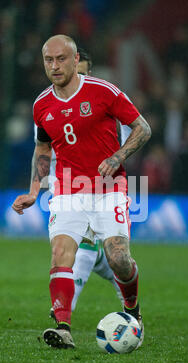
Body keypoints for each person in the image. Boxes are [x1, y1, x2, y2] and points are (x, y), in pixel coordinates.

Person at [12, 34, 151, 349]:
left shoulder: (104, 92)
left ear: (76, 60)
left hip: (108, 186)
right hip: (67, 190)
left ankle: (132, 311)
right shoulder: (41, 105)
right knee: (61, 253)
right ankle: (63, 328)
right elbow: (43, 148)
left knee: (118, 258)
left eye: (61, 59)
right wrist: (35, 190)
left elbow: (143, 127)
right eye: (49, 60)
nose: (55, 66)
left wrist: (117, 156)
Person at [41, 48, 124, 320]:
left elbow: (116, 148)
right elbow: (42, 149)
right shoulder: (47, 106)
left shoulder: (102, 104)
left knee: (85, 246)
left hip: (99, 186)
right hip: (62, 186)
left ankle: (62, 316)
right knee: (69, 249)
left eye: (85, 72)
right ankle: (66, 313)